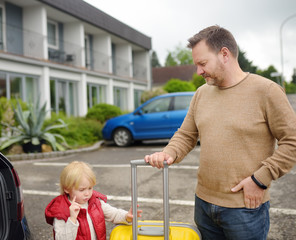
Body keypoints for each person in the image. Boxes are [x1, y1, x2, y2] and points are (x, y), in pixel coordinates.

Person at [144, 25, 296, 240]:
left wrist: (260, 179)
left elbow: (292, 141)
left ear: (224, 54)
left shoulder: (267, 90)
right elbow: (186, 135)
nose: (199, 71)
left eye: (202, 63)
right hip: (204, 204)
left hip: (245, 208)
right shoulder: (201, 94)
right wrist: (168, 153)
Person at [45, 161, 142, 240]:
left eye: (90, 188)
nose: (87, 193)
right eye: (82, 190)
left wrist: (127, 216)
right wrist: (72, 219)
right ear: (66, 188)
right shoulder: (60, 211)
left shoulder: (95, 202)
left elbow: (114, 214)